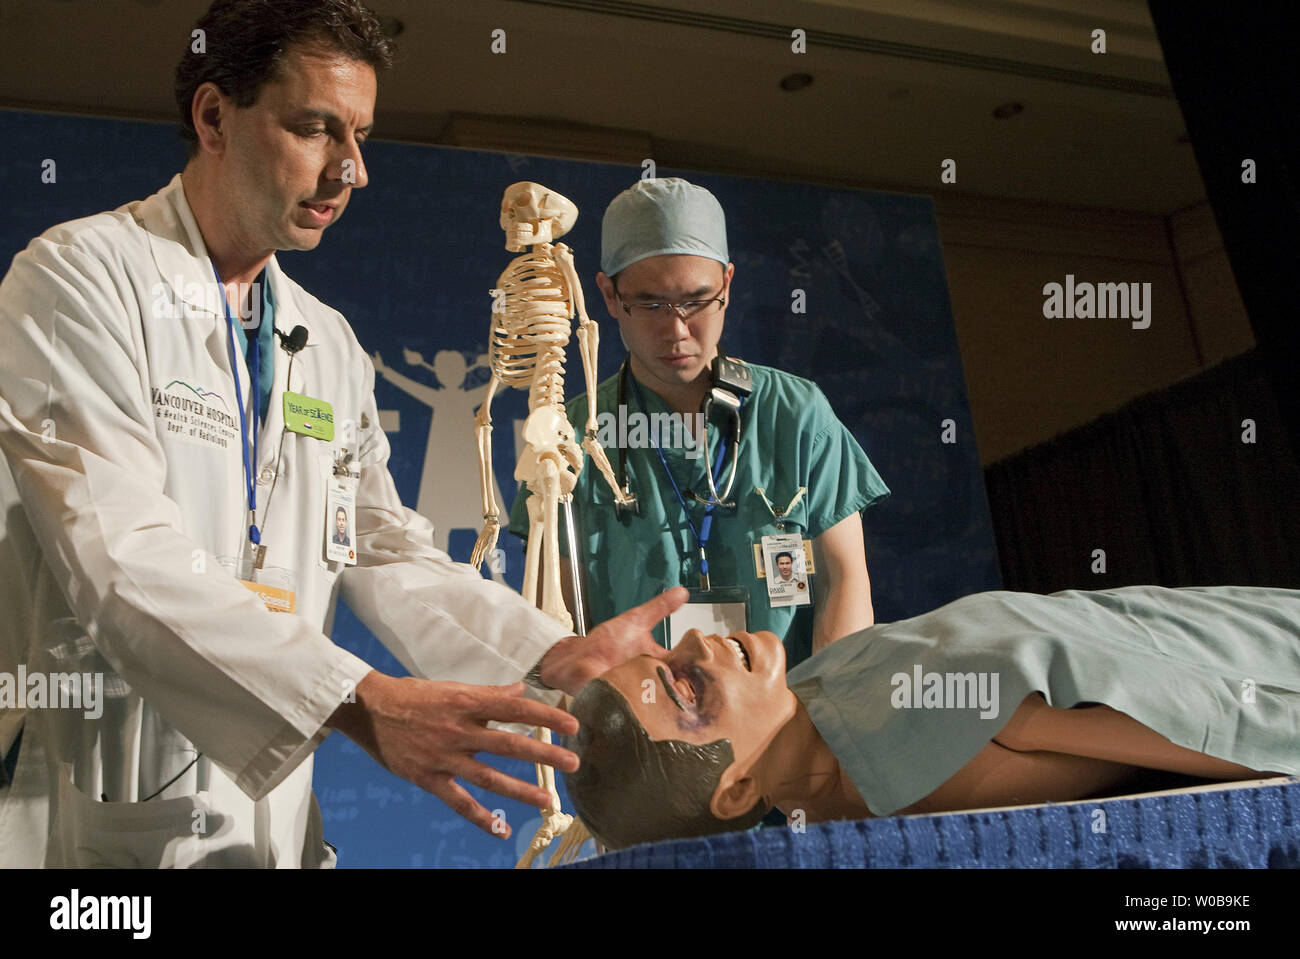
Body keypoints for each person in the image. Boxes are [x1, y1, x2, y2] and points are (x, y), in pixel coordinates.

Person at [0, 0, 681, 868]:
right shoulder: (80, 281)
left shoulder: (323, 343)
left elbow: (383, 550)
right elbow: (121, 558)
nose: (349, 170)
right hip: (90, 819)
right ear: (214, 116)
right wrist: (358, 701)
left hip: (272, 826)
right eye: (316, 129)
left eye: (360, 137)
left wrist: (544, 653)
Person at [562, 585, 1300, 850]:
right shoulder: (922, 740)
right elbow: (1219, 724)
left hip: (1202, 623)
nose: (696, 639)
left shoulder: (818, 706)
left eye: (667, 653)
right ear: (734, 790)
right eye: (688, 688)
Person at [510, 178, 890, 666]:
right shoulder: (571, 433)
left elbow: (845, 580)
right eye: (649, 304)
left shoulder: (795, 414)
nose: (676, 329)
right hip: (638, 723)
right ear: (608, 296)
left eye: (696, 300)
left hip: (783, 720)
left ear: (727, 285)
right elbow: (557, 619)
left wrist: (824, 716)